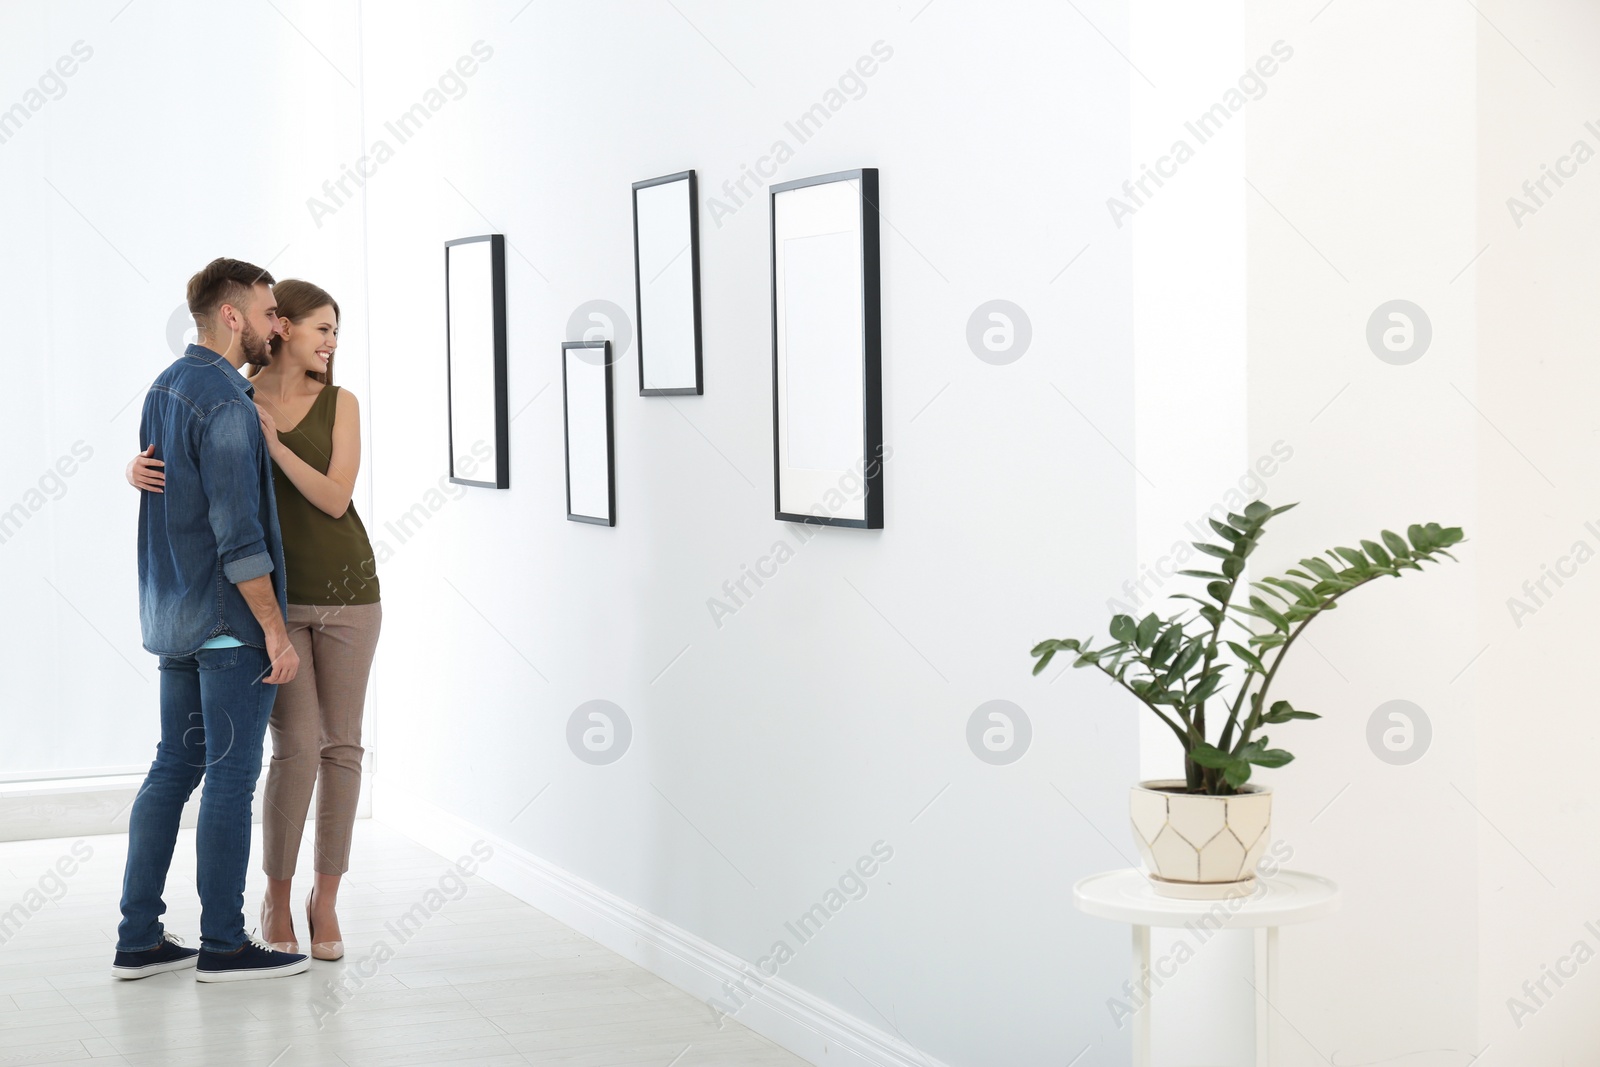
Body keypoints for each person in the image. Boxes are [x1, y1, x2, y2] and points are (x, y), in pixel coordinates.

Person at [127, 278, 380, 963]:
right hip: (267, 599)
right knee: (288, 749)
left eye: (336, 331)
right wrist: (135, 468)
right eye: (315, 326)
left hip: (347, 589)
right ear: (279, 329)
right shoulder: (235, 396)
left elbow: (335, 499)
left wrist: (276, 448)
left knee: (342, 746)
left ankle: (323, 897)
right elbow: (210, 491)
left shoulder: (334, 403)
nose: (329, 341)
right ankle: (263, 903)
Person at [113, 258, 309, 983]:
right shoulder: (224, 401)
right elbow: (237, 533)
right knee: (231, 778)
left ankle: (138, 938)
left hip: (174, 617)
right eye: (266, 313)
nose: (275, 326)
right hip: (229, 625)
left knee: (173, 769)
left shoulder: (166, 385)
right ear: (232, 316)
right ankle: (224, 942)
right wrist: (276, 632)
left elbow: (168, 489)